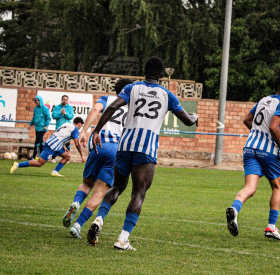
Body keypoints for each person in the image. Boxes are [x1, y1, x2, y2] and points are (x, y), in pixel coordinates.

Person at [86, 56, 198, 250]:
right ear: (162, 74)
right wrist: (194, 117)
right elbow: (187, 121)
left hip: (125, 144)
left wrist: (96, 131)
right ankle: (122, 239)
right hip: (146, 148)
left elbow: (112, 107)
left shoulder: (132, 88)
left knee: (117, 187)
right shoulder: (167, 95)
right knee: (138, 193)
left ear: (144, 71)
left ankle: (98, 220)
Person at [226, 75, 280, 240]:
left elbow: (246, 119)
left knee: (250, 188)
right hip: (269, 152)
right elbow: (274, 126)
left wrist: (257, 135)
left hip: (250, 148)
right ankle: (271, 228)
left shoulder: (264, 100)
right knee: (278, 187)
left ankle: (235, 210)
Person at [62, 78, 134, 239]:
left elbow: (95, 109)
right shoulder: (132, 107)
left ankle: (76, 202)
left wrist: (83, 131)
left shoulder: (107, 99)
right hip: (116, 149)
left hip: (98, 143)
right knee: (100, 192)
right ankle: (78, 225)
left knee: (87, 183)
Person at [10, 117, 86, 176]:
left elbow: (59, 134)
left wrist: (63, 146)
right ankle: (17, 165)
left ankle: (55, 172)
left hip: (53, 143)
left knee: (67, 156)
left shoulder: (66, 124)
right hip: (52, 146)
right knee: (39, 163)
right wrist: (82, 155)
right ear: (79, 124)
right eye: (81, 126)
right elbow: (77, 143)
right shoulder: (75, 129)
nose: (80, 128)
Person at [51, 95, 74, 163]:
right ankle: (53, 158)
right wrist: (60, 114)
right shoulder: (57, 107)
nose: (65, 101)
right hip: (59, 128)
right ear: (61, 100)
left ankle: (66, 158)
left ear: (68, 100)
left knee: (67, 144)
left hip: (67, 129)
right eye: (63, 99)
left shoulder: (70, 107)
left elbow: (71, 116)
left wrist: (65, 113)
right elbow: (54, 116)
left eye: (66, 100)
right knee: (56, 143)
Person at [28, 95, 51, 160]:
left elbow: (48, 118)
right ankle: (42, 156)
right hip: (37, 128)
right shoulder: (36, 109)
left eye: (38, 100)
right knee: (41, 143)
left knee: (37, 142)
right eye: (36, 100)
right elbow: (34, 118)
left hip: (42, 128)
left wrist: (46, 125)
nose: (37, 102)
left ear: (40, 100)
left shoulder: (45, 108)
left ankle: (34, 156)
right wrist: (30, 125)